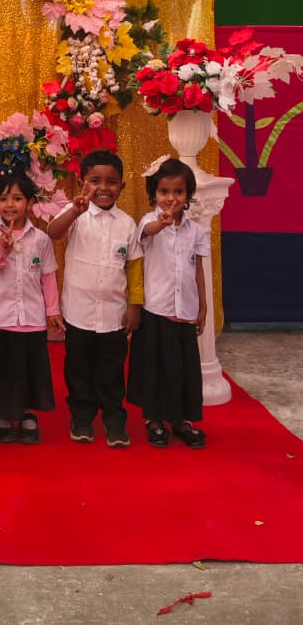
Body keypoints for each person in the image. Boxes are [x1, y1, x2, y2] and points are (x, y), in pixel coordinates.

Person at [48, 151, 143, 448]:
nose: (103, 187)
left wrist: (134, 305)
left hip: (114, 315)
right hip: (79, 313)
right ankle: (82, 418)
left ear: (122, 187)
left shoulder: (127, 224)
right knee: (78, 370)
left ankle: (114, 420)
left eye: (112, 182)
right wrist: (74, 210)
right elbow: (53, 232)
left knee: (113, 372)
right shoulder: (74, 215)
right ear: (82, 182)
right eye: (95, 181)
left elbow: (135, 268)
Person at [127, 157, 208, 449]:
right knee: (155, 369)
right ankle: (154, 420)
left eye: (178, 192)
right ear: (154, 194)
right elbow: (146, 235)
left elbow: (197, 269)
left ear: (188, 195)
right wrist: (160, 224)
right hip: (156, 312)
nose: (170, 198)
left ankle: (182, 420)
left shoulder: (196, 231)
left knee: (183, 369)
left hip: (184, 311)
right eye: (164, 192)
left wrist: (203, 306)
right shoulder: (149, 222)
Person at [0, 171, 63, 445]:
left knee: (28, 370)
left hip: (32, 319)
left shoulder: (40, 239)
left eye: (17, 198)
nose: (10, 204)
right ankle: (1, 416)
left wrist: (52, 312)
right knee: (1, 371)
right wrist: (2, 248)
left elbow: (48, 277)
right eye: (3, 199)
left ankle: (27, 415)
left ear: (29, 202)